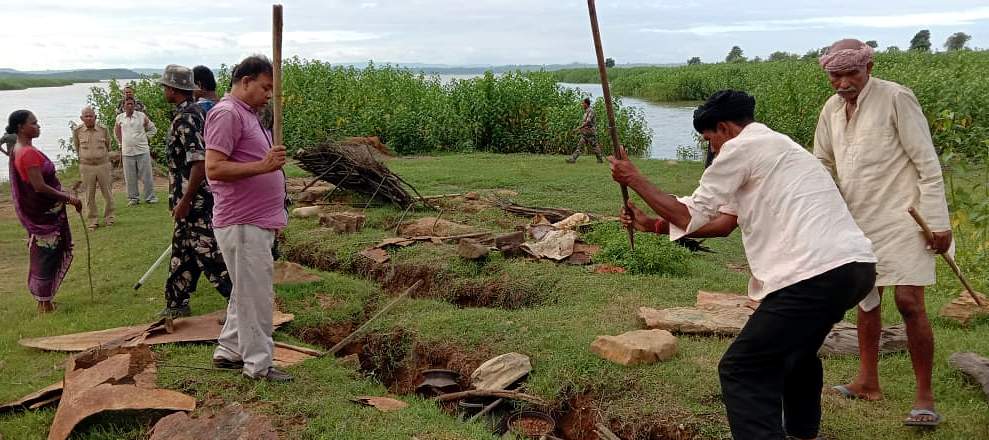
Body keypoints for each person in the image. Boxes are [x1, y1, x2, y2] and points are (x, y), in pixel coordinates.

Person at [611, 90, 877, 440]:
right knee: (797, 352)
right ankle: (802, 432)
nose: (711, 150)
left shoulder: (739, 149)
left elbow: (687, 213)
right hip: (855, 268)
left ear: (723, 128)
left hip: (813, 273)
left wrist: (635, 179)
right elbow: (722, 223)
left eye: (709, 140)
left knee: (742, 368)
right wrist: (653, 225)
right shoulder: (778, 147)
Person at [814, 38, 951, 427]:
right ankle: (867, 382)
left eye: (851, 73)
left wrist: (938, 223)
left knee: (910, 302)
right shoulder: (831, 109)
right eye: (835, 75)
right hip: (857, 219)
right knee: (867, 300)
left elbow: (927, 163)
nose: (843, 83)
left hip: (906, 218)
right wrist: (829, 202)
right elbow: (821, 159)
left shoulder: (897, 98)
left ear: (868, 68)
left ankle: (924, 396)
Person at [205, 55, 291, 382]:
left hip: (254, 219)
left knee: (245, 287)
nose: (269, 94)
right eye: (265, 87)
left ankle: (229, 348)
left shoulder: (247, 114)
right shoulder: (226, 114)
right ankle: (258, 365)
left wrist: (268, 165)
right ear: (245, 82)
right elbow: (214, 168)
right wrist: (263, 167)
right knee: (256, 294)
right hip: (243, 221)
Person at [158, 64, 232, 318]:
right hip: (190, 198)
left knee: (210, 254)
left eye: (165, 87)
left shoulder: (186, 118)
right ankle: (176, 303)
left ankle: (241, 300)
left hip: (195, 200)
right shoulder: (196, 112)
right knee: (183, 250)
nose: (164, 92)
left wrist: (186, 200)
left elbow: (199, 162)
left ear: (172, 89)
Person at [4, 110, 81, 313]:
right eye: (34, 123)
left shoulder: (20, 148)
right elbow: (39, 186)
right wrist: (69, 198)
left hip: (44, 212)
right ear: (21, 127)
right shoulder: (26, 152)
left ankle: (45, 301)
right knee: (46, 255)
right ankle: (44, 303)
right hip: (43, 216)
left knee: (45, 253)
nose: (38, 126)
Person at [72, 106, 115, 230]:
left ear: (95, 117)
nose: (89, 118)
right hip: (86, 167)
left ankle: (110, 217)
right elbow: (77, 147)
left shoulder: (103, 129)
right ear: (82, 118)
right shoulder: (77, 131)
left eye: (91, 116)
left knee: (107, 192)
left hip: (103, 165)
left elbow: (108, 145)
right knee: (89, 194)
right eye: (86, 116)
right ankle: (93, 220)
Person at [115, 96, 158, 205]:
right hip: (127, 152)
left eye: (131, 104)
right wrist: (121, 143)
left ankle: (150, 197)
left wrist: (145, 137)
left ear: (134, 105)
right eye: (127, 104)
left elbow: (153, 129)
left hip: (142, 150)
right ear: (123, 106)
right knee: (130, 177)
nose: (129, 106)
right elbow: (117, 132)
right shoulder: (119, 118)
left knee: (147, 175)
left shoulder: (141, 116)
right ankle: (133, 199)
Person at [567, 97, 603, 163]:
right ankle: (573, 159)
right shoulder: (586, 111)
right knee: (580, 146)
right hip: (585, 133)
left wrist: (579, 128)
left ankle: (600, 159)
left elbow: (588, 122)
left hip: (590, 133)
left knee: (594, 146)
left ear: (586, 104)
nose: (582, 105)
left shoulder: (591, 111)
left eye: (583, 103)